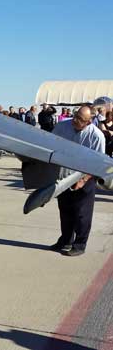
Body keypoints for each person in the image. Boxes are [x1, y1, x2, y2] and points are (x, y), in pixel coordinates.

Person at [50, 106, 105, 256]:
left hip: (86, 177)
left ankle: (80, 245)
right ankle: (65, 240)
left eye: (80, 119)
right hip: (64, 175)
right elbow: (51, 145)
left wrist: (83, 180)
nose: (75, 120)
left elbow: (98, 162)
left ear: (88, 122)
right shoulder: (62, 127)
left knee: (82, 213)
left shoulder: (97, 136)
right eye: (75, 116)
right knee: (65, 210)